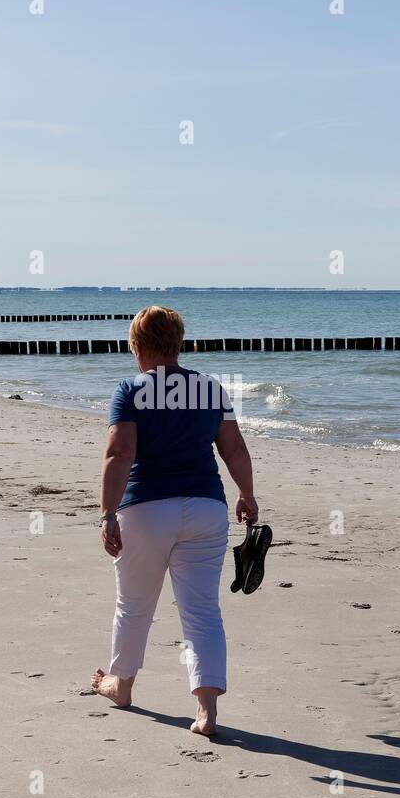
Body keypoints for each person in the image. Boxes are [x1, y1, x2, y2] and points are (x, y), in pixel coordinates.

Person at [91, 306, 258, 735]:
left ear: (136, 346)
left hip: (146, 509)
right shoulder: (209, 388)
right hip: (205, 508)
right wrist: (247, 494)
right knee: (202, 610)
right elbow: (233, 449)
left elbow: (119, 454)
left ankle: (121, 686)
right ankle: (207, 713)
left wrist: (108, 513)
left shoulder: (130, 389)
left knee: (134, 605)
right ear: (178, 344)